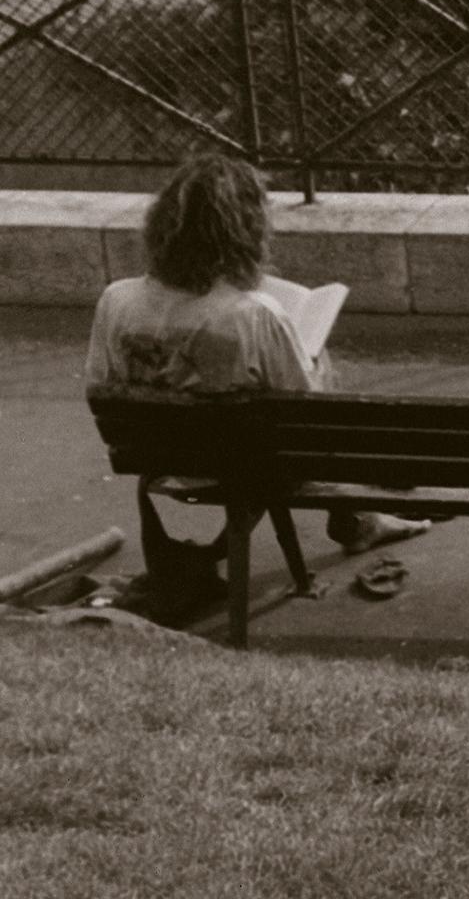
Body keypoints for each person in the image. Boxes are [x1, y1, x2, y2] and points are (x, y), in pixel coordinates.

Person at [85, 154, 430, 598]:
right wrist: (313, 358)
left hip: (160, 460)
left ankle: (358, 519)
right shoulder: (253, 316)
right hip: (249, 463)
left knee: (260, 413)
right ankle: (357, 519)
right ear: (244, 232)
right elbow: (307, 416)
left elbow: (102, 384)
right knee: (315, 379)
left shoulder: (117, 300)